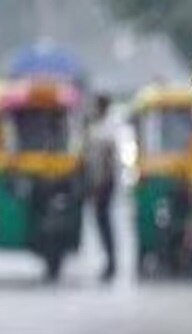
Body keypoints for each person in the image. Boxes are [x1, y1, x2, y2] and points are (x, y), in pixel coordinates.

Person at [86, 94, 118, 283]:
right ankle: (109, 262)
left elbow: (106, 162)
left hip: (104, 184)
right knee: (102, 224)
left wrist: (99, 186)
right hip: (99, 183)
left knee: (105, 224)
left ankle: (111, 263)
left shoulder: (107, 129)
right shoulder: (98, 127)